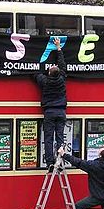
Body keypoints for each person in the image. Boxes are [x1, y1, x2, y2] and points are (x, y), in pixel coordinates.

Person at [35, 37, 66, 167]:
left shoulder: (45, 81)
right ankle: (60, 160)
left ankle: (49, 162)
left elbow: (35, 72)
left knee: (48, 138)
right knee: (60, 138)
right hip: (61, 111)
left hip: (49, 112)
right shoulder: (62, 78)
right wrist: (58, 47)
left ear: (48, 72)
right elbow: (62, 63)